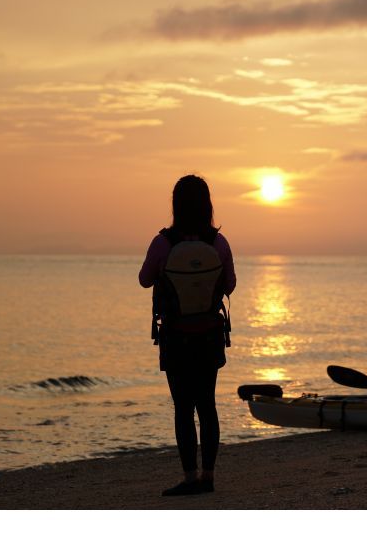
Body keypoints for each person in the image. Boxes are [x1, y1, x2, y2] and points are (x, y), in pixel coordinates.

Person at [139, 175, 236, 496]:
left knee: (183, 406)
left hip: (176, 337)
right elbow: (231, 286)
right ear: (208, 204)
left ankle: (189, 476)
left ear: (175, 205)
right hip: (209, 335)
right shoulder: (218, 243)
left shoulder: (162, 243)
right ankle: (209, 476)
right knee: (206, 404)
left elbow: (144, 280)